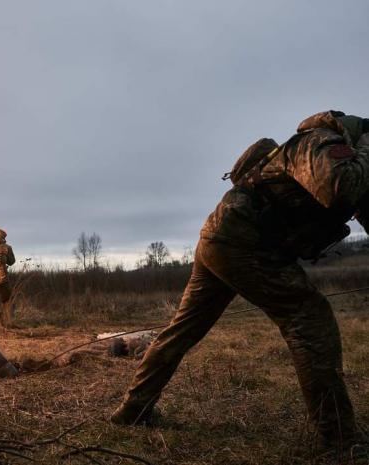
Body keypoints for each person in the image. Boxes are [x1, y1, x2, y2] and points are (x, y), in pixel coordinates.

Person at [111, 110, 369, 452]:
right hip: (243, 242)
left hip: (220, 238)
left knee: (181, 330)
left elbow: (357, 198)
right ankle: (338, 440)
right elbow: (341, 188)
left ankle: (132, 409)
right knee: (309, 318)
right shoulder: (318, 141)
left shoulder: (340, 157)